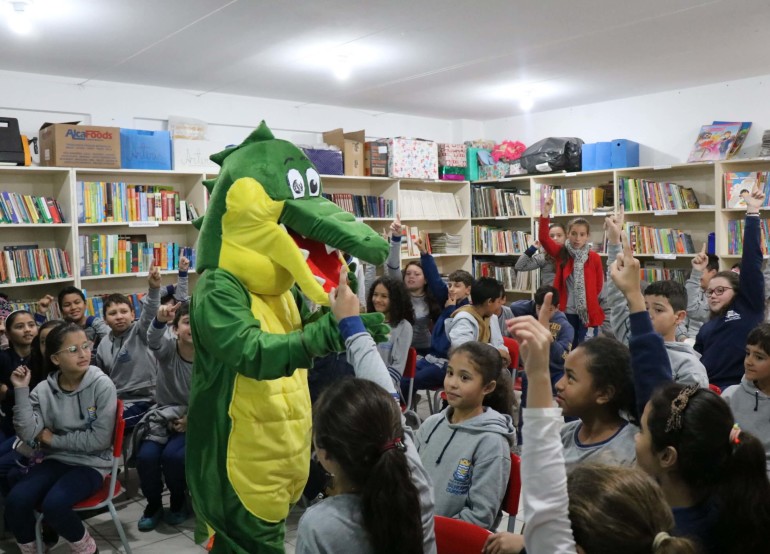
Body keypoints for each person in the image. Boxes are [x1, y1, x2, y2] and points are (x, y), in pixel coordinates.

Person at [486, 302, 696, 554]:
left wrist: (528, 544)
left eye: (571, 378)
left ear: (604, 394)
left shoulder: (630, 453)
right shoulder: (564, 434)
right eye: (562, 374)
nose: (560, 385)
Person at [609, 229, 770, 553]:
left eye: (641, 432)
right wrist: (634, 301)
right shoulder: (719, 504)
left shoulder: (662, 531)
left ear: (668, 457)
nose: (636, 437)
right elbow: (655, 387)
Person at [296, 273, 436, 554]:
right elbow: (387, 397)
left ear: (322, 454)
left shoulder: (321, 524)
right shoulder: (416, 486)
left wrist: (349, 323)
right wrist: (351, 324)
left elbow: (388, 398)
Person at [5, 322, 117, 554]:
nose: (84, 353)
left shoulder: (102, 385)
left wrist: (53, 440)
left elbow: (99, 441)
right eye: (73, 350)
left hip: (92, 464)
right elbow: (27, 433)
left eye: (85, 346)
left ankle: (89, 550)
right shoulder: (44, 389)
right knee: (16, 501)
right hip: (55, 461)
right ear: (56, 359)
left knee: (55, 505)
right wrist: (21, 390)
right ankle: (35, 550)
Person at [415, 341, 515, 530]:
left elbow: (479, 516)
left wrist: (426, 533)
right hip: (412, 531)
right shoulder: (430, 424)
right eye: (450, 373)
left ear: (488, 387)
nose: (452, 383)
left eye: (464, 378)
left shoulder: (491, 443)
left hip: (449, 541)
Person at [604, 211, 708, 388]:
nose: (649, 315)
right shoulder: (631, 338)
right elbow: (617, 298)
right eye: (645, 308)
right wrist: (614, 243)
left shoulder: (688, 366)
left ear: (679, 317)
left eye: (658, 310)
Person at [695, 181, 765, 390]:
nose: (713, 296)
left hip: (738, 390)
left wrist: (752, 212)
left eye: (720, 290)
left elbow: (752, 262)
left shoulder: (747, 308)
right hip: (705, 391)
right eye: (709, 292)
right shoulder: (706, 328)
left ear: (737, 292)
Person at [134, 301, 194, 531]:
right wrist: (159, 320)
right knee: (147, 456)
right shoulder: (169, 349)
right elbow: (153, 340)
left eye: (197, 323)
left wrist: (191, 419)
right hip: (163, 416)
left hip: (194, 419)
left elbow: (216, 395)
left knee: (173, 458)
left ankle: (178, 502)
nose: (193, 328)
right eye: (187, 322)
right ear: (176, 328)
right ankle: (154, 505)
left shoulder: (211, 355)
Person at [95, 266, 161, 429]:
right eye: (113, 313)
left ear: (133, 314)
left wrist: (154, 288)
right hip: (116, 400)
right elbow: (102, 377)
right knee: (91, 420)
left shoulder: (142, 331)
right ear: (105, 319)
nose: (119, 316)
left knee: (114, 425)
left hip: (146, 398)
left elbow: (150, 314)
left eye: (124, 311)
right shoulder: (103, 343)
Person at [539, 193, 604, 345]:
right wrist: (545, 213)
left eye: (582, 234)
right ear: (568, 234)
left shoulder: (594, 257)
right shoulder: (562, 253)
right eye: (574, 234)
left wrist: (587, 301)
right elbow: (544, 239)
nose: (577, 238)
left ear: (587, 236)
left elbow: (599, 285)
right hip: (565, 310)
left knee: (586, 349)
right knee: (567, 347)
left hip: (587, 312)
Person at [386, 214, 442, 354]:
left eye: (417, 274)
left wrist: (424, 253)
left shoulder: (433, 297)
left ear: (425, 280)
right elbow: (393, 265)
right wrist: (396, 238)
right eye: (408, 273)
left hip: (426, 350)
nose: (411, 277)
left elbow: (435, 278)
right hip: (400, 348)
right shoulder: (401, 292)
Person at [722, 323, 770, 477]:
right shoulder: (730, 396)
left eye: (759, 357)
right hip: (734, 476)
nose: (749, 361)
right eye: (748, 353)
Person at [510, 285, 574, 395]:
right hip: (533, 367)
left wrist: (550, 341)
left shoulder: (565, 326)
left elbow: (563, 357)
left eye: (549, 309)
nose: (543, 313)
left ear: (557, 307)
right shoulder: (533, 316)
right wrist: (538, 305)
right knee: (527, 383)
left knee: (562, 388)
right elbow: (514, 306)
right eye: (539, 308)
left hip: (555, 372)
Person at [35, 286, 110, 363]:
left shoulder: (96, 325)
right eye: (67, 305)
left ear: (85, 304)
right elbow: (38, 338)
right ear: (61, 310)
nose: (73, 307)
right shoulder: (58, 327)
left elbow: (110, 340)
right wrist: (41, 313)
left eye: (77, 302)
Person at [366, 275, 415, 389]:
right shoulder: (368, 322)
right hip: (362, 384)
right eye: (375, 294)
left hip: (385, 389)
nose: (377, 300)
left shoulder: (404, 327)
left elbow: (397, 368)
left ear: (395, 300)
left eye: (384, 296)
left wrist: (378, 387)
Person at [0, 310, 38, 442]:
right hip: (8, 422)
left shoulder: (42, 358)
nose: (27, 330)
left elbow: (37, 395)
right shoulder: (3, 357)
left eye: (31, 325)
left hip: (35, 424)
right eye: (20, 327)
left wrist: (8, 394)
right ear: (8, 334)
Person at [513, 222, 565, 288]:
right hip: (549, 294)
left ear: (566, 237)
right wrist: (532, 248)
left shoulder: (571, 256)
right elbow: (519, 266)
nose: (555, 238)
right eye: (551, 236)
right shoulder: (543, 257)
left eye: (559, 235)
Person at [684, 248, 719, 340]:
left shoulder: (719, 298)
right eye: (695, 272)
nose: (697, 275)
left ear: (713, 273)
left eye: (701, 272)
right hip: (687, 341)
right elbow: (679, 317)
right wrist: (682, 338)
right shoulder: (691, 290)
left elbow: (692, 309)